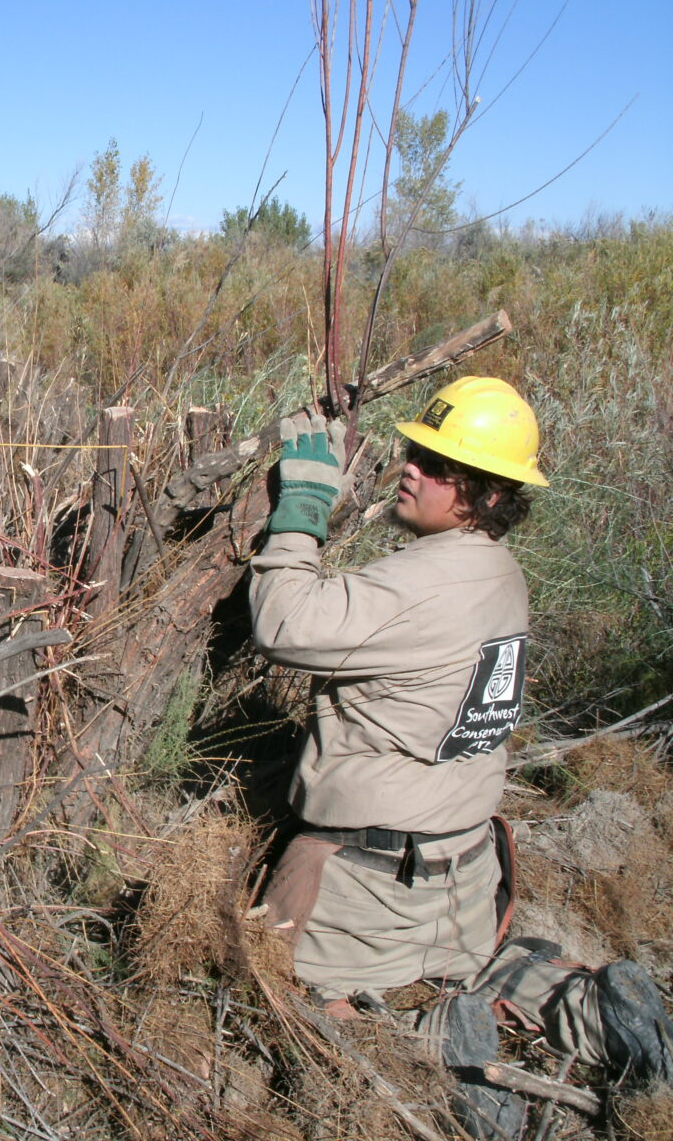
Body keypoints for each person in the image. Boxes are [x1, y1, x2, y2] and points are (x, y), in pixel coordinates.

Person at [248, 376, 673, 1136]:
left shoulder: (421, 583)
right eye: (416, 450)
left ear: (482, 493)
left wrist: (300, 516)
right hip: (466, 880)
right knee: (470, 969)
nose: (411, 468)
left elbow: (284, 622)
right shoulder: (499, 574)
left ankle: (435, 1045)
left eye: (439, 465)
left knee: (285, 999)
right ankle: (590, 1008)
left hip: (369, 884)